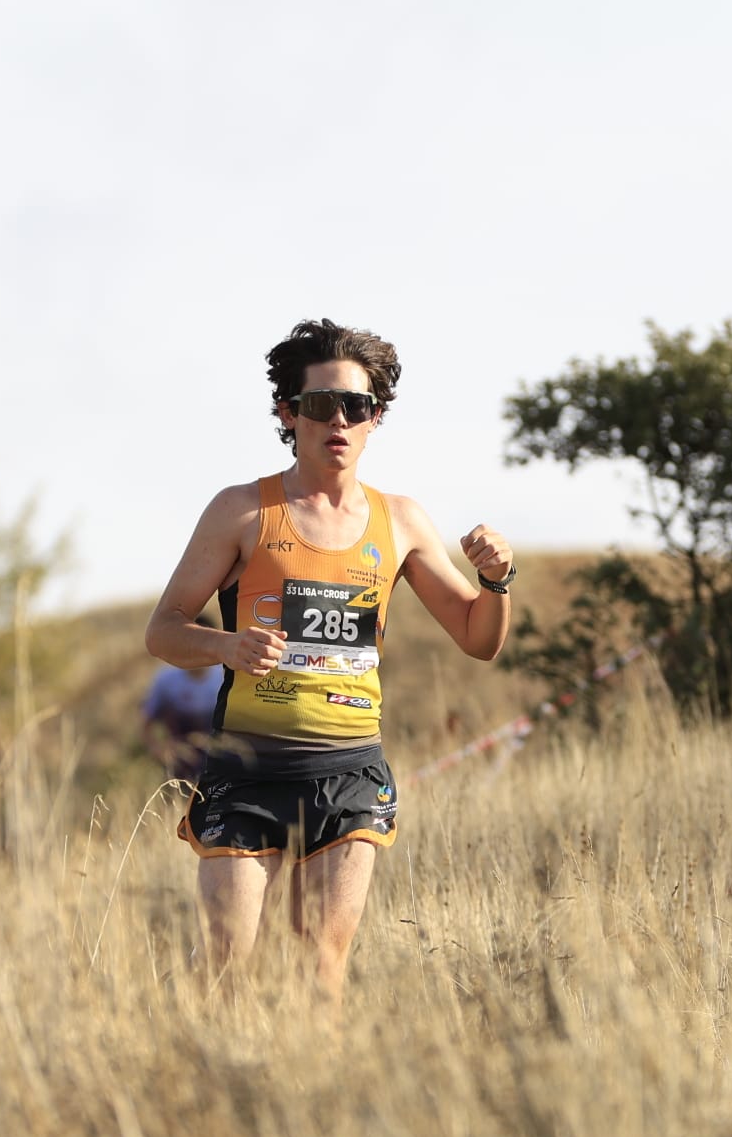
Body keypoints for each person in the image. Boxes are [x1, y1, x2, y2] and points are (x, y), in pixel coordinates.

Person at [145, 318, 514, 998]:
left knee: (321, 967)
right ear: (288, 412)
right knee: (230, 961)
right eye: (320, 405)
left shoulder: (400, 520)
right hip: (246, 769)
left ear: (376, 417)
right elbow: (163, 631)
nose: (339, 420)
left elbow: (477, 636)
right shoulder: (241, 512)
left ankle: (314, 1094)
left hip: (349, 770)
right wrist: (227, 645)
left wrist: (494, 581)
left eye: (358, 406)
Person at [140, 612, 224, 781]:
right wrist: (158, 751)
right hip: (181, 770)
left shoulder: (226, 678)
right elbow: (146, 722)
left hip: (222, 766)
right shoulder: (166, 681)